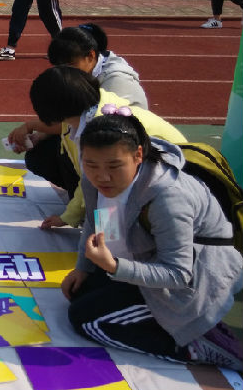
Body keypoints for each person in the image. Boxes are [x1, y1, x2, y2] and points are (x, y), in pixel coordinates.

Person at [62, 112, 243, 370]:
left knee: (86, 321)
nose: (102, 176)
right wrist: (83, 267)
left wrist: (114, 267)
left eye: (114, 166)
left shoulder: (168, 199)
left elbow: (179, 274)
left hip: (197, 279)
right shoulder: (95, 180)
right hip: (147, 256)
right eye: (91, 164)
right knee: (80, 293)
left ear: (138, 155)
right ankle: (178, 324)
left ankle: (191, 346)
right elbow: (98, 220)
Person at [28, 65, 185, 230]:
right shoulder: (88, 112)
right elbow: (88, 179)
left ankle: (115, 233)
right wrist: (72, 215)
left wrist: (71, 217)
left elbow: (98, 185)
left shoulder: (100, 131)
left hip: (173, 180)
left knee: (104, 206)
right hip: (153, 177)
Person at [10, 23, 149, 194]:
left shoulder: (116, 82)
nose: (66, 72)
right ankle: (82, 196)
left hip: (128, 147)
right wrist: (40, 135)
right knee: (46, 154)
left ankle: (98, 197)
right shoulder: (85, 80)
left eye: (70, 65)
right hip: (106, 138)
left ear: (91, 56)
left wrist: (31, 126)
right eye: (60, 67)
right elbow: (72, 118)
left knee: (82, 156)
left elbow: (91, 125)